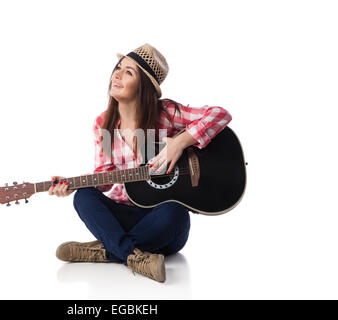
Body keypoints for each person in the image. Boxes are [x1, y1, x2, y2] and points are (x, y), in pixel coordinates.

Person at [48, 43, 232, 283]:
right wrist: (73, 184)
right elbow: (104, 177)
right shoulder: (102, 124)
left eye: (129, 72)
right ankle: (132, 255)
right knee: (83, 196)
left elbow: (220, 114)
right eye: (118, 67)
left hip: (162, 224)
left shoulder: (166, 114)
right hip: (123, 216)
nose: (117, 74)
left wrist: (180, 143)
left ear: (143, 86)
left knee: (176, 213)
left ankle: (105, 250)